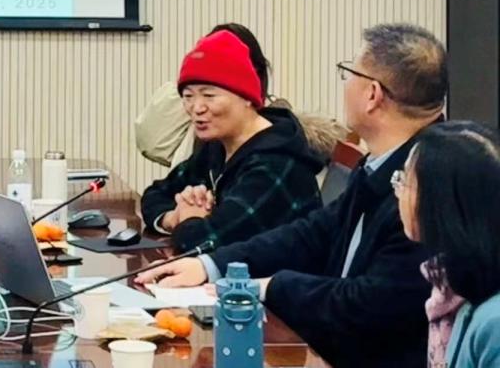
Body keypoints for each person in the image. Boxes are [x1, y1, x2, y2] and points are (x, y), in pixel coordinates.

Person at [136, 23, 448, 368]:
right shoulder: (383, 162)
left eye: (349, 73)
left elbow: (368, 303)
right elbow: (314, 231)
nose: (197, 107)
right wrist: (211, 265)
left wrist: (270, 287)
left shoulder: (426, 185)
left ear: (372, 94)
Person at [140, 29, 323, 251]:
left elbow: (201, 241)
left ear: (247, 98)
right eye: (188, 96)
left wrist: (191, 218)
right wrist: (173, 217)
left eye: (209, 96)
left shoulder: (275, 165)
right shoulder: (218, 147)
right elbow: (155, 193)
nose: (197, 108)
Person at [135, 23, 344, 171]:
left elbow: (220, 220)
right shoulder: (214, 142)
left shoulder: (273, 152)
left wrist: (183, 213)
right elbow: (153, 145)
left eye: (210, 92)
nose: (198, 106)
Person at [394, 121, 500, 368]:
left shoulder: (493, 322)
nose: (397, 192)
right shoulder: (453, 284)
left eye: (404, 181)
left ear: (441, 200)